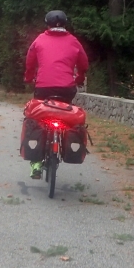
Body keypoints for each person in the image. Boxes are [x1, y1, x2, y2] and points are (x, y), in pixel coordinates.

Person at [23, 10, 89, 179]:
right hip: (66, 88)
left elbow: (30, 62)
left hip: (43, 88)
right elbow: (83, 64)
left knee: (38, 118)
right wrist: (79, 78)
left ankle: (36, 163)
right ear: (65, 24)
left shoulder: (39, 40)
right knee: (64, 114)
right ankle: (64, 138)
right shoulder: (74, 42)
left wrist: (29, 77)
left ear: (47, 24)